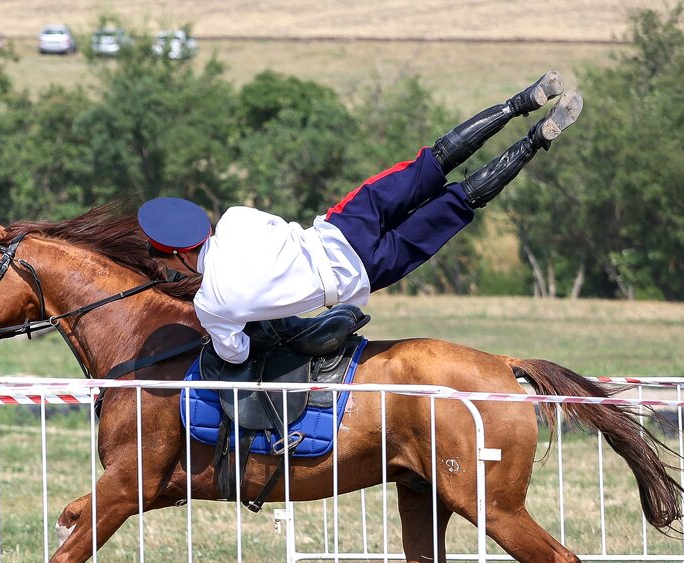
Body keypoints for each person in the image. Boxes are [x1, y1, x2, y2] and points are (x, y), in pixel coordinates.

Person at [138, 72, 582, 364]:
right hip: (344, 226)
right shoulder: (234, 220)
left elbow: (234, 354)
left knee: (460, 201)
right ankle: (525, 99)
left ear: (178, 256)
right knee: (436, 160)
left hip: (360, 274)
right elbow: (278, 226)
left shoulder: (212, 304)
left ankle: (535, 141)